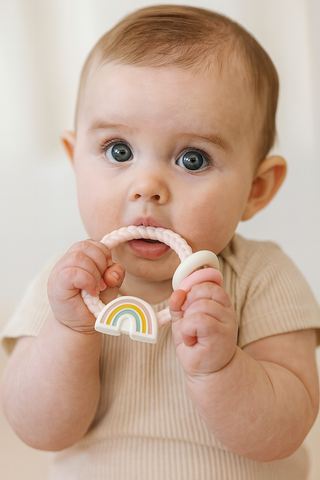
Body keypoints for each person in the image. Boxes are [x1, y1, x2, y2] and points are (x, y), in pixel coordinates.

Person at [1, 5, 320, 480]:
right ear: (75, 162)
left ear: (256, 189)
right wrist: (68, 332)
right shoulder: (66, 283)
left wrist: (221, 368)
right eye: (119, 151)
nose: (146, 186)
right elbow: (38, 430)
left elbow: (284, 433)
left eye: (193, 159)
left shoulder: (263, 276)